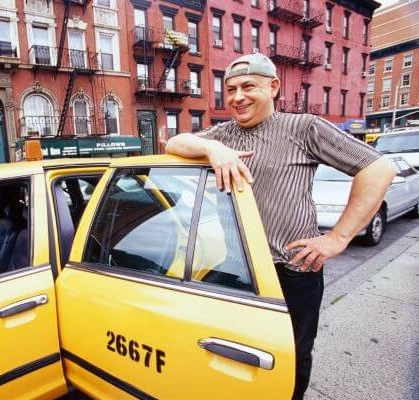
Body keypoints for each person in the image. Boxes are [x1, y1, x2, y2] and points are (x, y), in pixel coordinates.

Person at [166, 53, 396, 400]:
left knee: (291, 357)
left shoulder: (304, 128)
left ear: (273, 87)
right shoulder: (223, 134)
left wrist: (337, 238)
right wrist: (213, 148)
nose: (237, 97)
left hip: (294, 271)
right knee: (238, 353)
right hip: (239, 271)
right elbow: (173, 144)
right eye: (230, 89)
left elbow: (378, 169)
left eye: (248, 87)